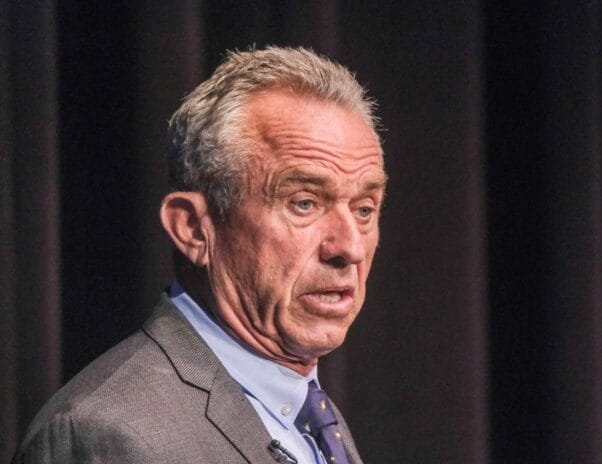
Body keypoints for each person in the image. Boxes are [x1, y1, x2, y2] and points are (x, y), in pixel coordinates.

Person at [13, 46, 387, 464]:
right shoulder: (103, 433)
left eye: (364, 209)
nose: (350, 248)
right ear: (193, 229)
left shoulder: (311, 416)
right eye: (304, 203)